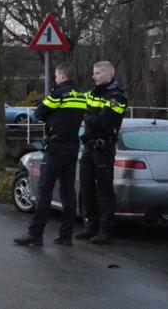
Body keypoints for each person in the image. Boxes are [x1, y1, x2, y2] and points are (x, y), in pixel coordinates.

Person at [14, 62, 86, 247]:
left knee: (44, 189)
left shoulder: (58, 94)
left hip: (56, 147)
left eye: (56, 76)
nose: (55, 78)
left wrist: (47, 110)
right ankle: (65, 236)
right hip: (72, 146)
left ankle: (35, 234)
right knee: (68, 191)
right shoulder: (81, 95)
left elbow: (39, 113)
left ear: (62, 76)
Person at [75, 61, 127, 245]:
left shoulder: (117, 97)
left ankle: (106, 231)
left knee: (104, 191)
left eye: (97, 73)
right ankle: (91, 227)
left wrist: (88, 116)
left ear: (108, 74)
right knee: (87, 188)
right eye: (93, 73)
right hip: (88, 147)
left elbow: (104, 122)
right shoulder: (92, 94)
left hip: (104, 148)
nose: (93, 76)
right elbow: (81, 110)